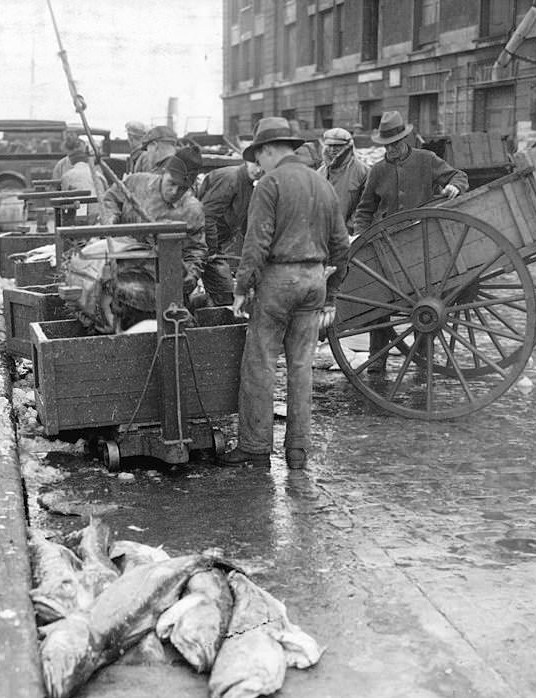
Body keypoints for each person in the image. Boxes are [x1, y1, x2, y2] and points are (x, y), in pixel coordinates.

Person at [216, 117, 349, 471]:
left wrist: (242, 288)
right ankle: (297, 452)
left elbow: (255, 243)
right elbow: (342, 245)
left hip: (278, 281)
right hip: (314, 282)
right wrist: (331, 292)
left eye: (258, 155)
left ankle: (256, 447)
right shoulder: (323, 184)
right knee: (302, 367)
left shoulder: (269, 185)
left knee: (260, 364)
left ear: (269, 150)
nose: (257, 164)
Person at [351, 110, 468, 372]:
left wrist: (454, 187)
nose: (391, 149)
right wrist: (360, 234)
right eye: (386, 145)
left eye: (395, 144)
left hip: (423, 242)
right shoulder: (378, 171)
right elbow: (364, 210)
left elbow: (458, 176)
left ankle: (424, 358)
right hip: (387, 245)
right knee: (379, 299)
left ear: (405, 140)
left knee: (426, 300)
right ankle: (377, 358)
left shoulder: (426, 160)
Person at [99, 145, 208, 303]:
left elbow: (196, 250)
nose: (174, 191)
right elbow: (110, 199)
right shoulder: (135, 183)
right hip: (119, 265)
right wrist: (110, 219)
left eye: (182, 188)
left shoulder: (193, 211)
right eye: (171, 183)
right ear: (165, 172)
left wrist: (190, 276)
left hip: (158, 279)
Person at [194, 146, 262, 306]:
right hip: (198, 245)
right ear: (247, 161)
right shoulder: (230, 178)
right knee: (184, 288)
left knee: (225, 294)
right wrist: (210, 249)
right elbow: (207, 216)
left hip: (214, 248)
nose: (259, 170)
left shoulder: (250, 185)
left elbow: (246, 224)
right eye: (255, 164)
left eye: (262, 166)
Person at [317, 127, 369, 234]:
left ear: (348, 147)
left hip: (349, 235)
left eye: (338, 146)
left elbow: (366, 206)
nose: (332, 150)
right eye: (330, 145)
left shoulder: (362, 171)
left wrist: (349, 228)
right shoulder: (319, 173)